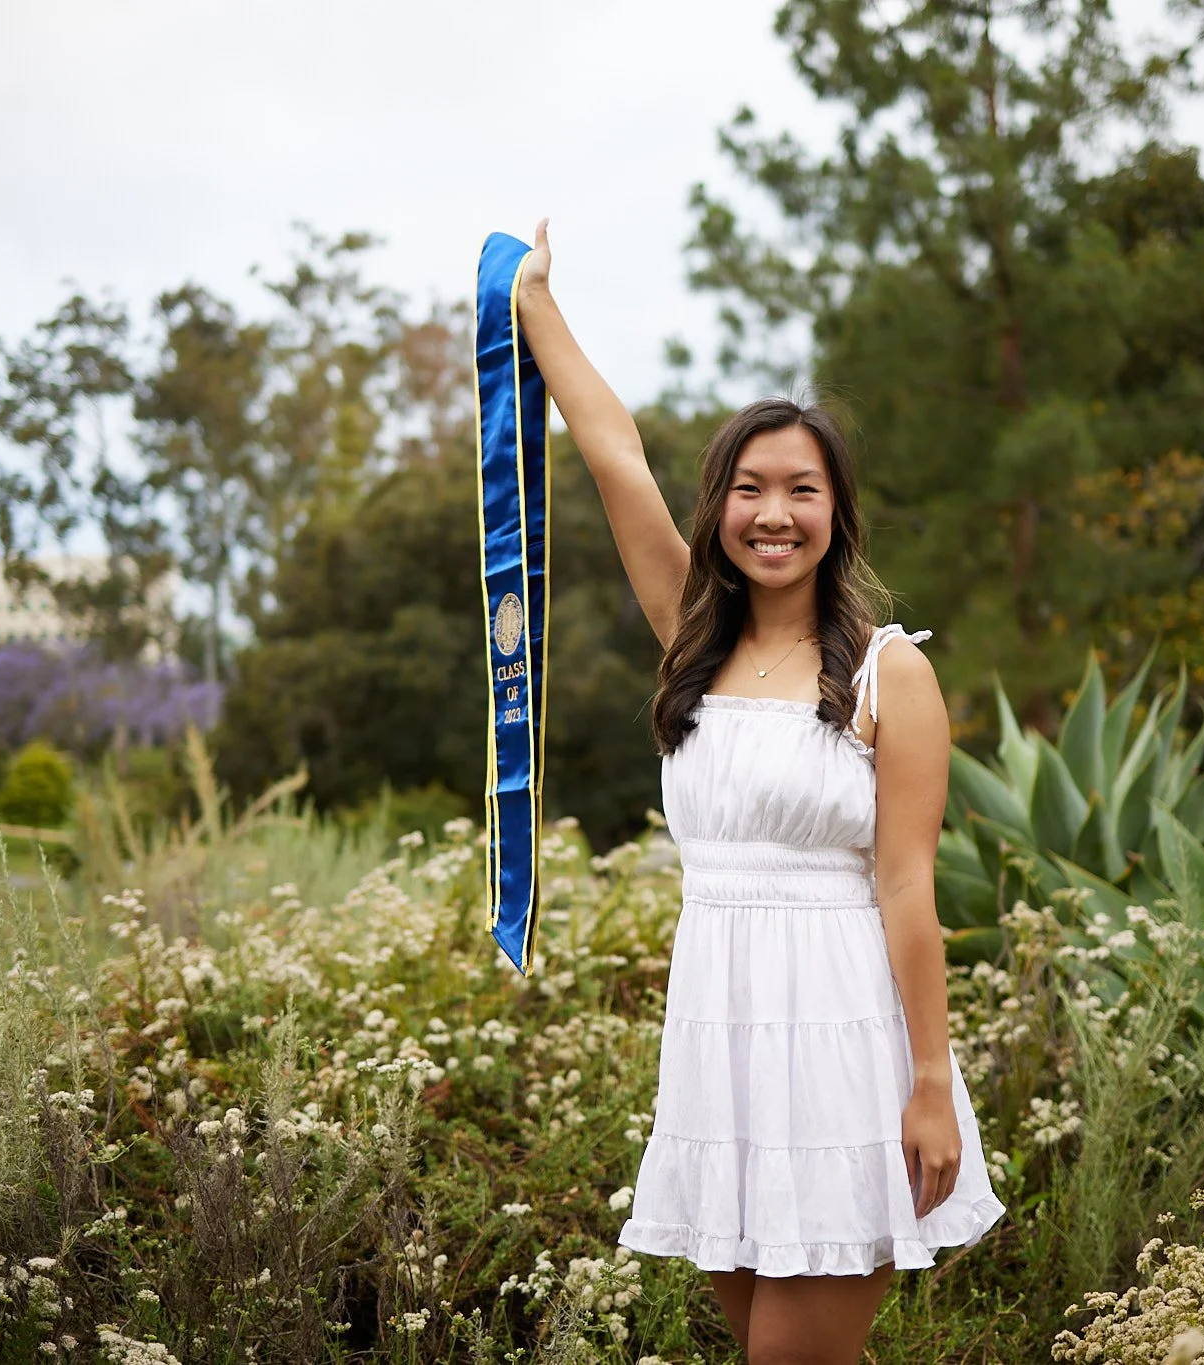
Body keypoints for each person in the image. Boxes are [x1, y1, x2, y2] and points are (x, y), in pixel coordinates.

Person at [515, 219, 1004, 1364]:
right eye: (747, 488)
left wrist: (929, 1084)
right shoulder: (690, 637)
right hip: (721, 1051)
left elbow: (906, 888)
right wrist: (535, 308)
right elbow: (613, 454)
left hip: (841, 1053)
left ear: (836, 513)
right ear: (718, 508)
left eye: (799, 490)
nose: (772, 513)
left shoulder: (890, 673)